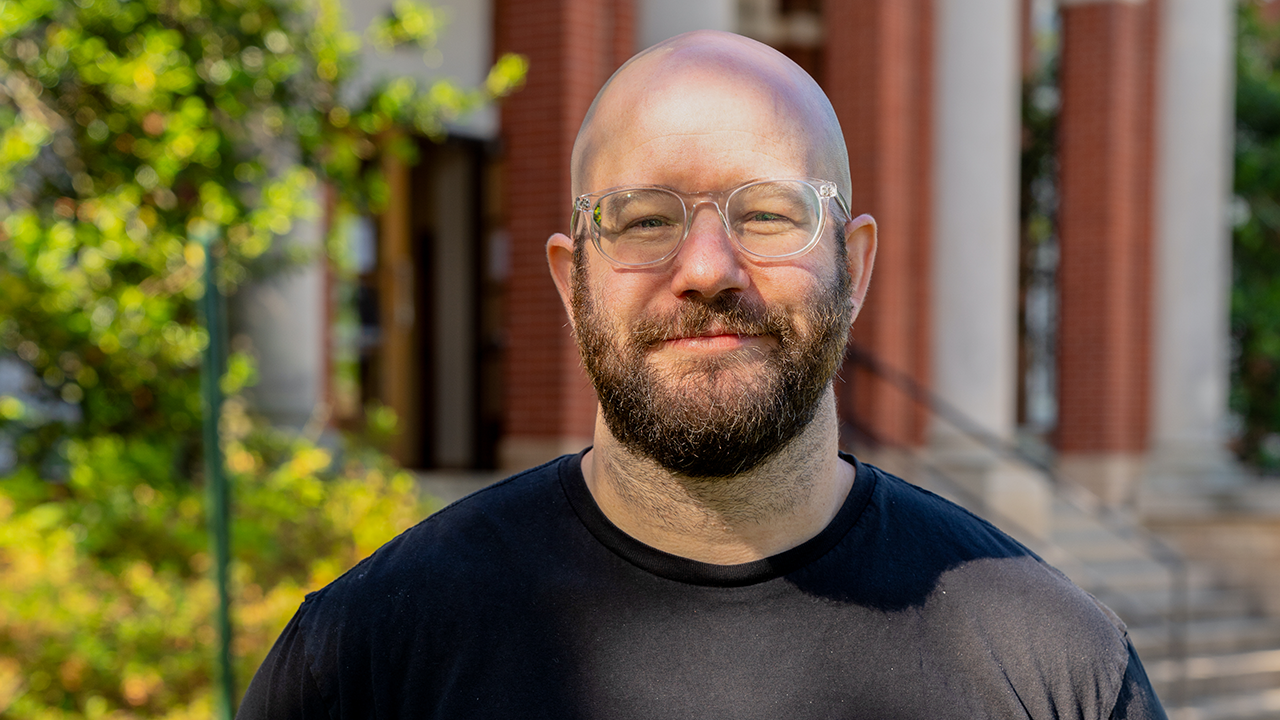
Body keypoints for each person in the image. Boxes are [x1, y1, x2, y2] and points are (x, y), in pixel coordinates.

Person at [238, 31, 1166, 719]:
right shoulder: (366, 660)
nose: (709, 268)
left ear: (857, 268)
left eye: (767, 214)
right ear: (571, 282)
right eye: (643, 219)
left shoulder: (1057, 672)